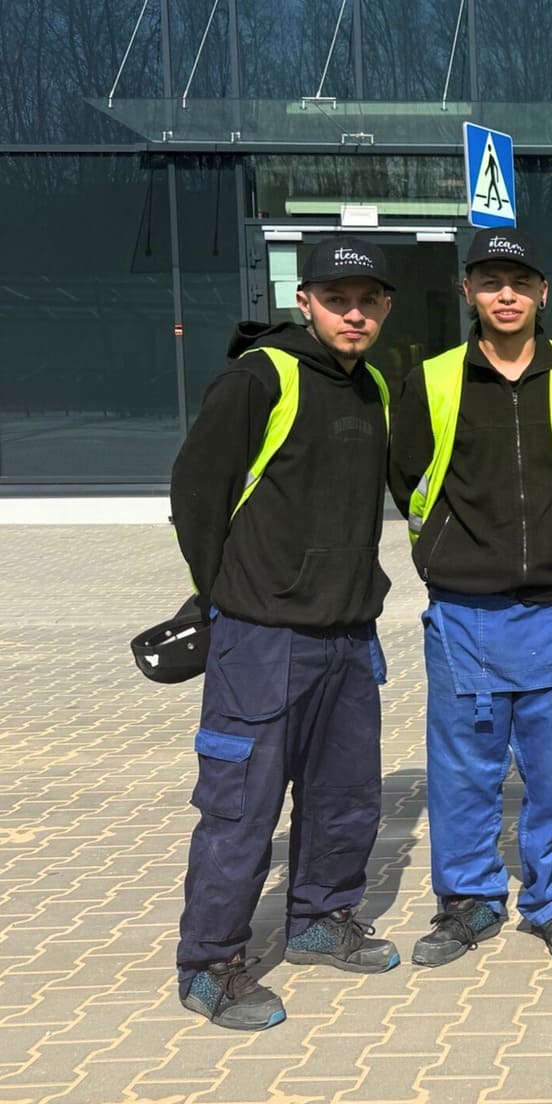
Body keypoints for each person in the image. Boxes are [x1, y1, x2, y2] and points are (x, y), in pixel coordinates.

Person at [168, 235, 400, 1030]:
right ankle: (209, 965)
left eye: (367, 301)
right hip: (261, 639)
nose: (353, 314)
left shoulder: (373, 387)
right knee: (241, 808)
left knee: (346, 797)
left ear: (385, 308)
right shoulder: (260, 378)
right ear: (304, 302)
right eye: (336, 300)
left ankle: (318, 920)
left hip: (348, 635)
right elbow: (196, 493)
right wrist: (224, 594)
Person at [388, 227, 552, 970]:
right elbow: (408, 477)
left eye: (518, 283)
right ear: (467, 292)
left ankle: (550, 900)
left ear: (543, 292)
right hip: (464, 606)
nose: (504, 295)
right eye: (489, 282)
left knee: (550, 770)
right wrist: (452, 548)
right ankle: (469, 901)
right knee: (464, 770)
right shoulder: (434, 380)